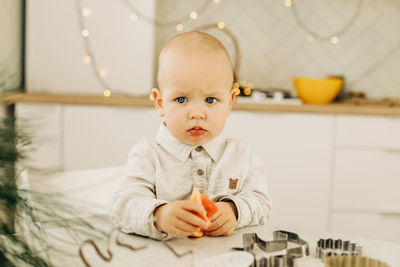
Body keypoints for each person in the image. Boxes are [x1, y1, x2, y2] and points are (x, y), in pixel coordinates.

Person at [109, 31, 271, 240]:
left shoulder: (242, 156)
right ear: (160, 103)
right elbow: (122, 206)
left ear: (230, 102)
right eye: (181, 99)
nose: (197, 113)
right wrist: (159, 215)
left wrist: (234, 210)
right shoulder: (147, 155)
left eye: (211, 100)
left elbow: (262, 203)